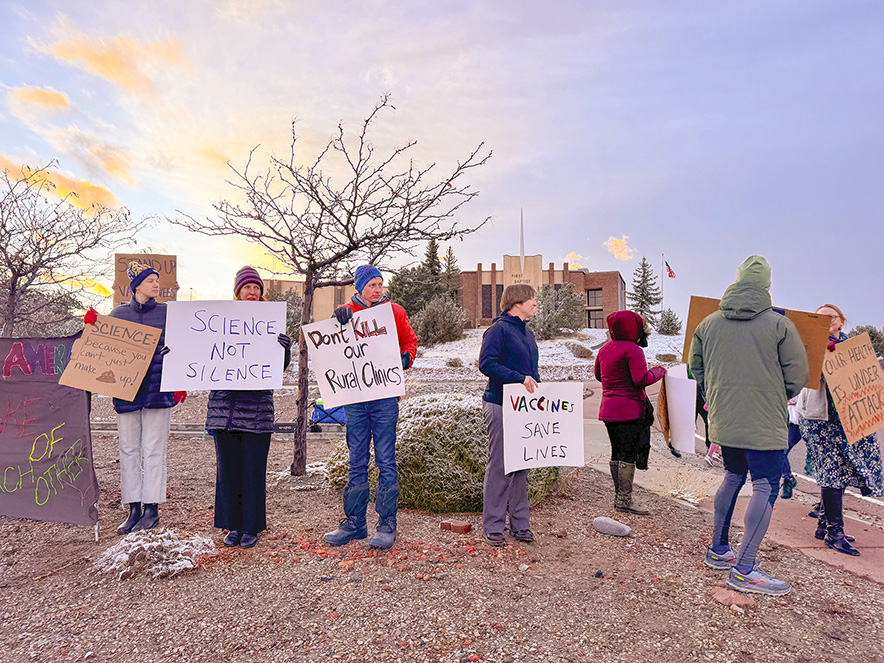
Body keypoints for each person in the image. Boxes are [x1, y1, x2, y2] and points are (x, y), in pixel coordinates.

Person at [690, 255, 808, 596]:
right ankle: (744, 569)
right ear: (767, 286)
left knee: (732, 476)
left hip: (725, 419)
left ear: (737, 280)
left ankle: (719, 548)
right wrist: (775, 393)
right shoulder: (779, 325)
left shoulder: (708, 323)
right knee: (765, 486)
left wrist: (717, 392)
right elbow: (797, 376)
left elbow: (696, 368)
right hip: (764, 420)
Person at [85, 260, 186, 534]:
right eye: (152, 280)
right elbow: (102, 348)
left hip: (158, 391)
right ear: (137, 285)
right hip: (126, 393)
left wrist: (175, 361)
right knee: (128, 450)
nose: (157, 284)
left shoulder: (168, 314)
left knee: (154, 450)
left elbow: (186, 345)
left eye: (157, 280)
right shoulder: (118, 314)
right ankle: (133, 507)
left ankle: (152, 509)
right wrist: (93, 328)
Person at [323, 265, 417, 550]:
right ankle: (355, 522)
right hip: (355, 398)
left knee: (386, 459)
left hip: (385, 398)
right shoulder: (345, 312)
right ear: (360, 287)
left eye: (380, 284)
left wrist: (404, 359)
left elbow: (410, 341)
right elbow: (331, 346)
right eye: (372, 285)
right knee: (356, 460)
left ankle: (387, 523)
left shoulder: (395, 312)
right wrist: (336, 320)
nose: (377, 290)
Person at [205, 267, 292, 549]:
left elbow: (277, 369)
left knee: (253, 470)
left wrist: (284, 351)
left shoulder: (270, 323)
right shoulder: (218, 322)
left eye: (257, 288)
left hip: (256, 411)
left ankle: (251, 526)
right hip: (225, 410)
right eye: (248, 288)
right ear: (238, 291)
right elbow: (203, 356)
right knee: (228, 470)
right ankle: (233, 525)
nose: (253, 293)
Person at [797, 304, 883, 556]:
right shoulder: (808, 347)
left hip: (847, 421)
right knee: (831, 472)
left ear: (840, 321)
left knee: (842, 471)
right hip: (818, 419)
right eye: (818, 319)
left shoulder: (852, 348)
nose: (824, 323)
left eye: (829, 318)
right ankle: (835, 532)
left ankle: (824, 525)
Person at [478, 284, 540, 547]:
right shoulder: (498, 330)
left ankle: (520, 524)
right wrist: (519, 379)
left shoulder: (527, 333)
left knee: (521, 464)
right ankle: (493, 525)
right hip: (500, 404)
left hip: (523, 407)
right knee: (501, 465)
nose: (536, 302)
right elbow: (487, 364)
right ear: (517, 302)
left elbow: (530, 372)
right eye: (532, 298)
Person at [594, 311, 665, 515]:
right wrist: (659, 371)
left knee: (616, 452)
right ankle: (624, 500)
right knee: (628, 455)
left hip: (608, 410)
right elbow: (640, 379)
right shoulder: (633, 350)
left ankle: (619, 497)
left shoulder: (605, 349)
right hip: (629, 411)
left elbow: (598, 375)